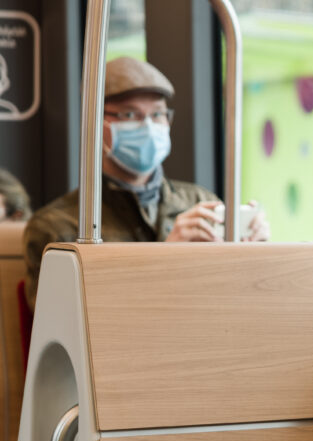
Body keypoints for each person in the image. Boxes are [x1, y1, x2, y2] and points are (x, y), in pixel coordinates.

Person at [22, 56, 269, 309]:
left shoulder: (201, 202)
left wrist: (257, 257)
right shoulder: (56, 228)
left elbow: (236, 300)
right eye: (130, 114)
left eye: (158, 114)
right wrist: (163, 261)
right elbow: (59, 322)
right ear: (95, 123)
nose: (149, 126)